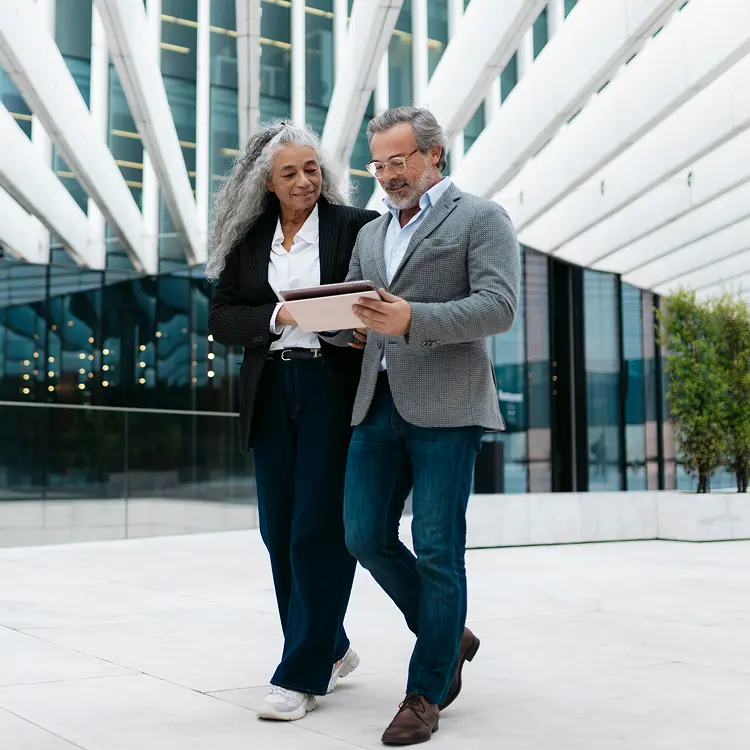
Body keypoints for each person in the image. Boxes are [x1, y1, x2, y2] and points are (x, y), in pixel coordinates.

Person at [322, 107, 520, 745]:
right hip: (375, 402)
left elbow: (499, 306)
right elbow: (367, 312)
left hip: (448, 405)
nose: (386, 175)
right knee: (361, 534)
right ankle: (448, 632)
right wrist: (352, 325)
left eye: (398, 161)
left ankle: (425, 690)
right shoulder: (371, 235)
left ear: (434, 155)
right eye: (377, 164)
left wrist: (410, 318)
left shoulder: (480, 218)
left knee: (438, 547)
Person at [207, 121, 379, 722]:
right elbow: (223, 320)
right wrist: (279, 312)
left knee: (317, 530)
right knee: (277, 531)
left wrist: (365, 324)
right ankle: (329, 646)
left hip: (330, 385)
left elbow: (381, 292)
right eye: (290, 173)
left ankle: (300, 673)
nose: (305, 180)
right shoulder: (249, 239)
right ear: (267, 183)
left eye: (312, 169)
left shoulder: (354, 227)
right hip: (272, 387)